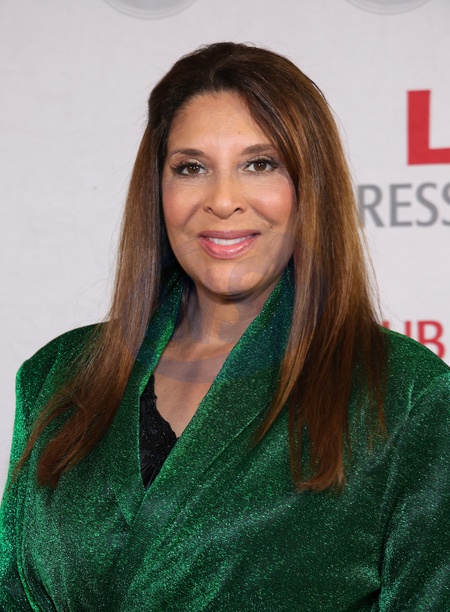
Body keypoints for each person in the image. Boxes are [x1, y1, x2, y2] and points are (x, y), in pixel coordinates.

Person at [1, 42, 449, 611]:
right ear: (158, 189)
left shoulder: (405, 394)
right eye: (191, 168)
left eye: (259, 164)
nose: (222, 200)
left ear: (310, 188)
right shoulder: (57, 375)